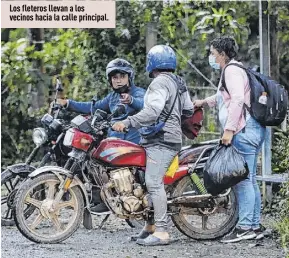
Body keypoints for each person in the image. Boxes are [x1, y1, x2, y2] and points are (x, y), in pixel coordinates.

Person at [112, 45, 194, 246]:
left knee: (154, 182)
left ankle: (163, 232)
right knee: (143, 180)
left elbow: (152, 113)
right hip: (165, 138)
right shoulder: (178, 82)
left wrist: (128, 122)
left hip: (161, 140)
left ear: (151, 63)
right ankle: (149, 227)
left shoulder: (158, 83)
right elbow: (189, 110)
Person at [194, 36, 266, 243]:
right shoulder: (237, 69)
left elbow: (237, 99)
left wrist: (229, 130)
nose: (211, 57)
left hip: (243, 131)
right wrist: (202, 102)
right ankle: (253, 225)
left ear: (222, 54)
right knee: (249, 179)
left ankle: (244, 227)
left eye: (213, 53)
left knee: (242, 181)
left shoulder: (232, 70)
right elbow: (222, 98)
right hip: (252, 129)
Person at [56, 58, 146, 213]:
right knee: (91, 160)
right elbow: (93, 107)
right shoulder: (112, 97)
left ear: (129, 78)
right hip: (114, 143)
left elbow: (146, 105)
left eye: (122, 77)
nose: (118, 81)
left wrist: (131, 100)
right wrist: (68, 103)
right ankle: (106, 197)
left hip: (133, 144)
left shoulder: (138, 93)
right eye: (114, 78)